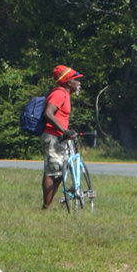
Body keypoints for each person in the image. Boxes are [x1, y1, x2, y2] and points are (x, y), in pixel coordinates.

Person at [41, 65, 83, 208]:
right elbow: (48, 113)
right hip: (53, 137)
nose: (78, 83)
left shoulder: (66, 95)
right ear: (67, 82)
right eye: (76, 80)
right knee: (52, 172)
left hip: (61, 138)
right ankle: (45, 207)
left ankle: (48, 204)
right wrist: (63, 131)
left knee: (60, 173)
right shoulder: (59, 94)